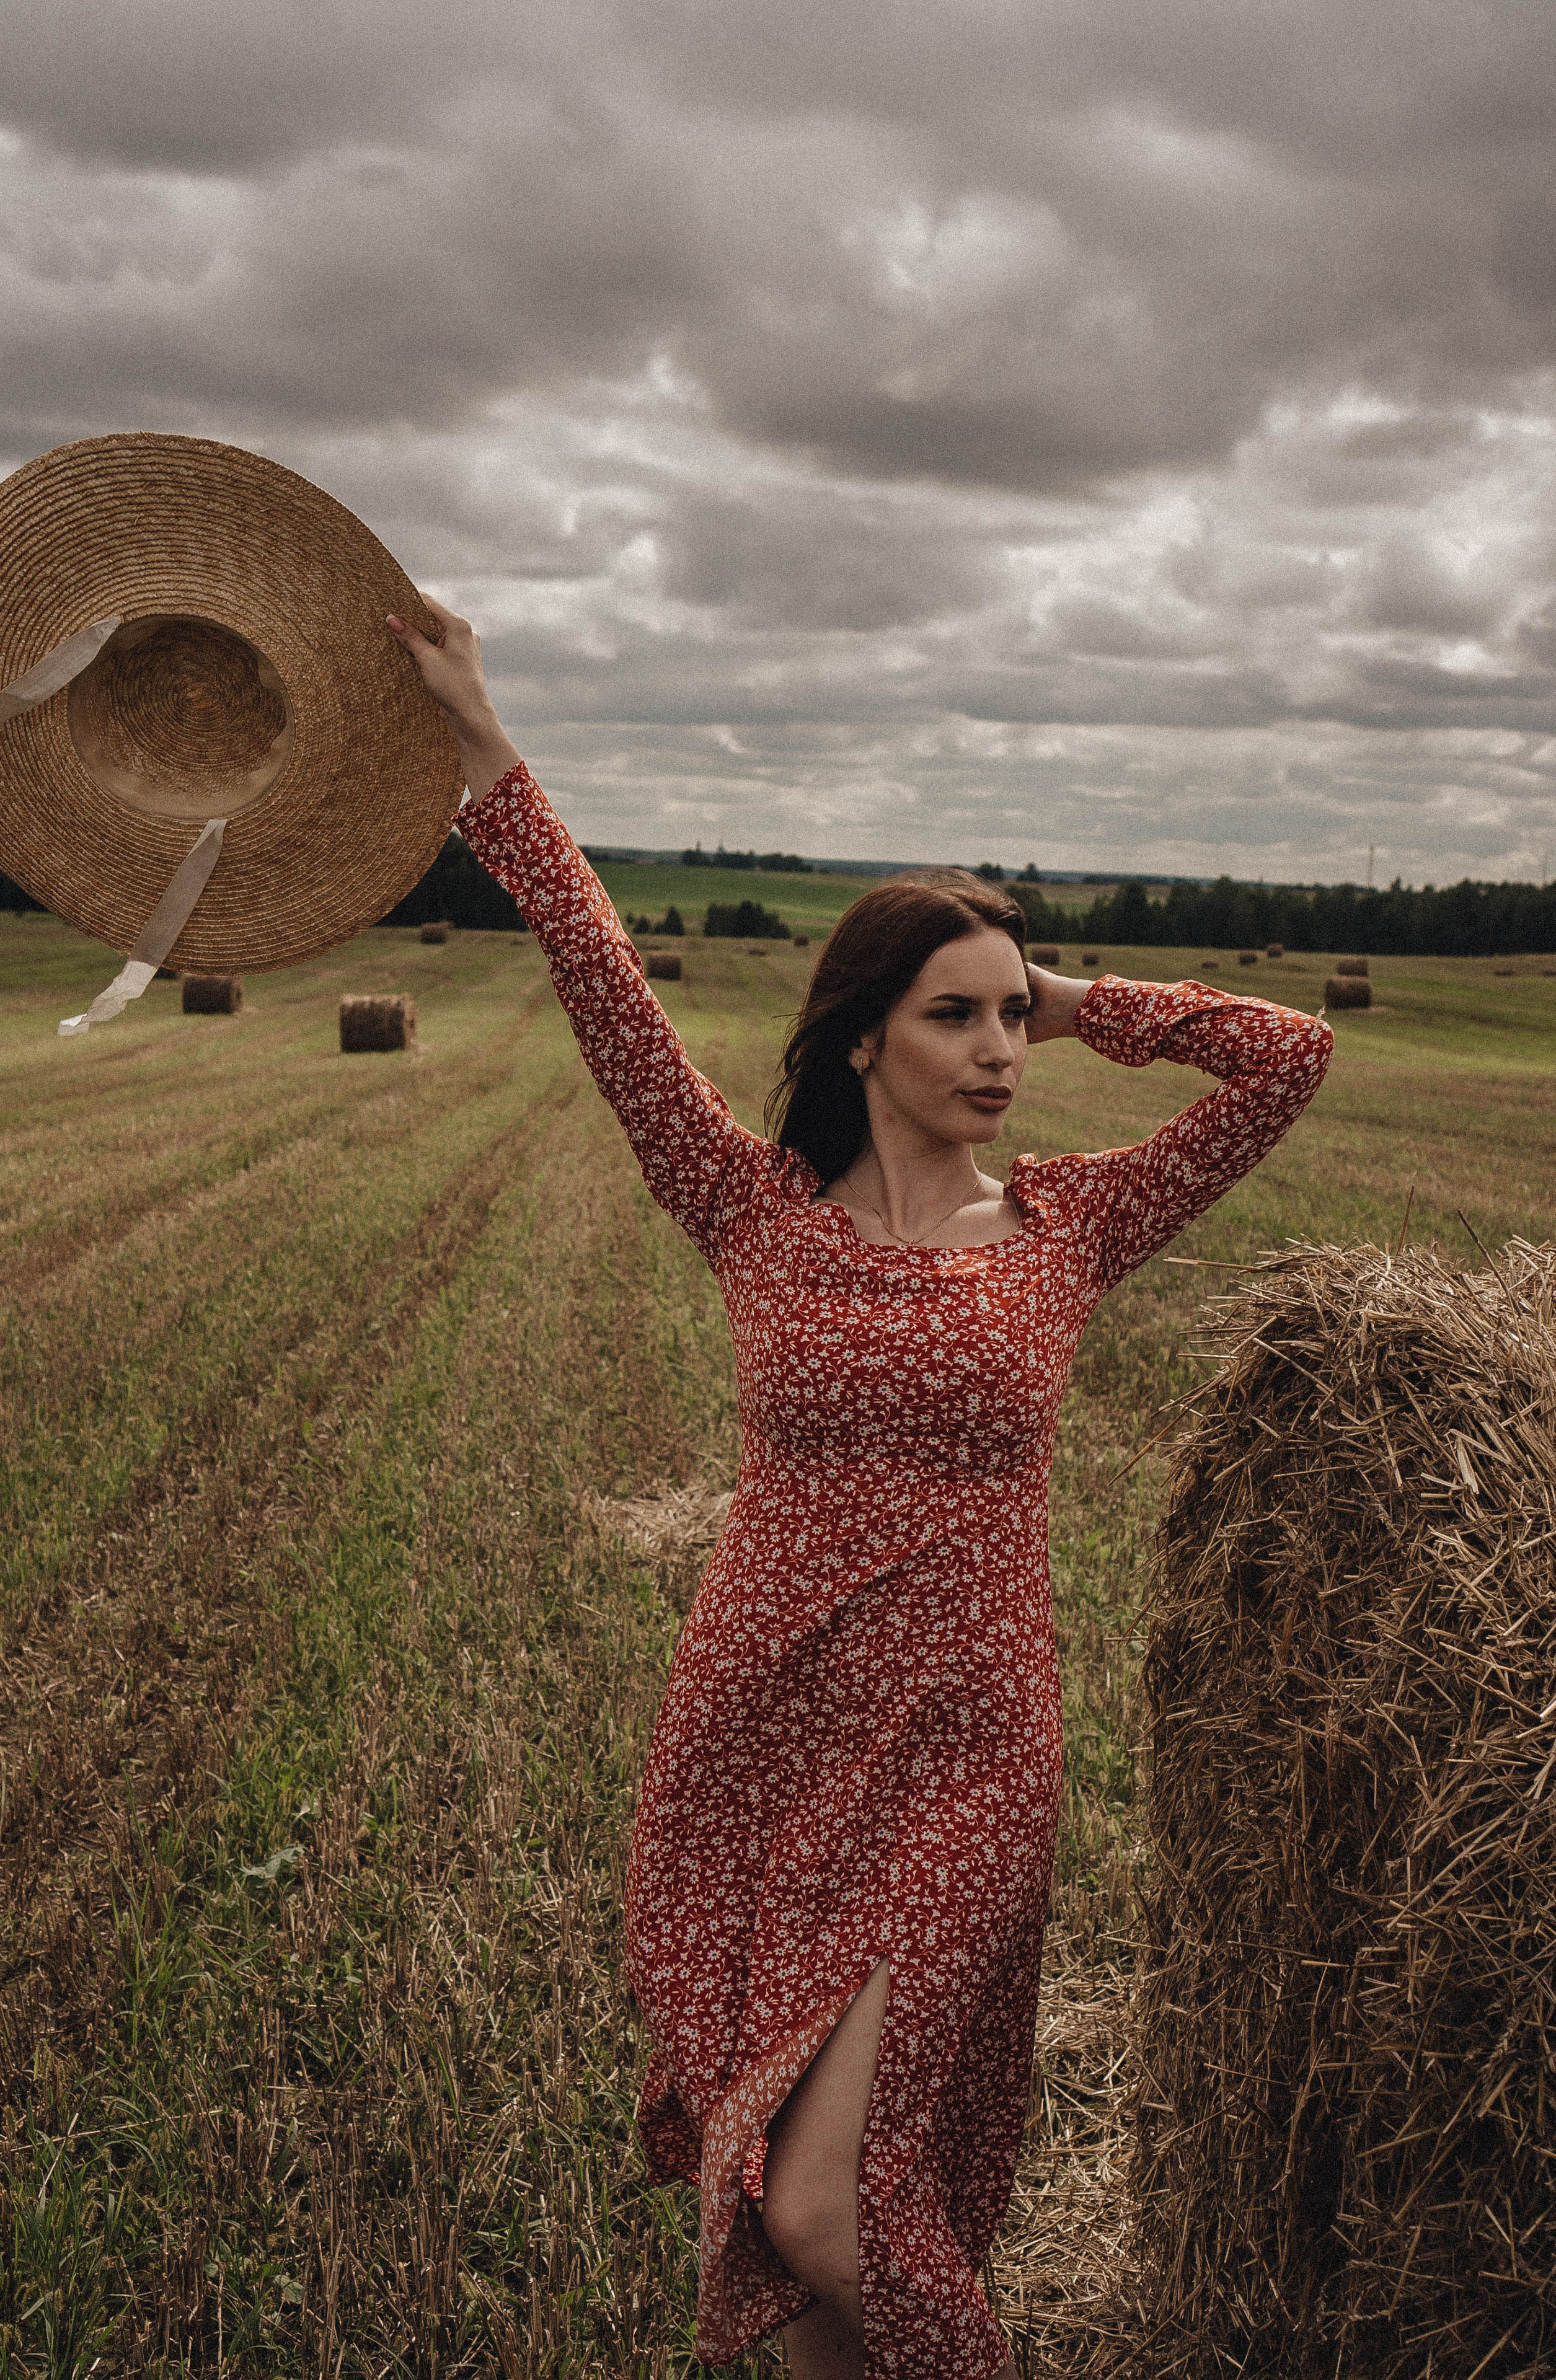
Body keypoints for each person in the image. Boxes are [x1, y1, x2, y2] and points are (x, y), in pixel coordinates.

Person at [387, 599, 1333, 2380]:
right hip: (768, 1721)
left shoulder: (1073, 1226)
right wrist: (484, 746)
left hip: (971, 1742)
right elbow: (602, 979)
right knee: (802, 2212)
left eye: (1010, 1021)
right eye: (956, 1014)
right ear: (859, 1040)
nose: (998, 1049)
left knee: (835, 2210)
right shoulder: (754, 1210)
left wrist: (1078, 992)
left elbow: (1291, 1058)